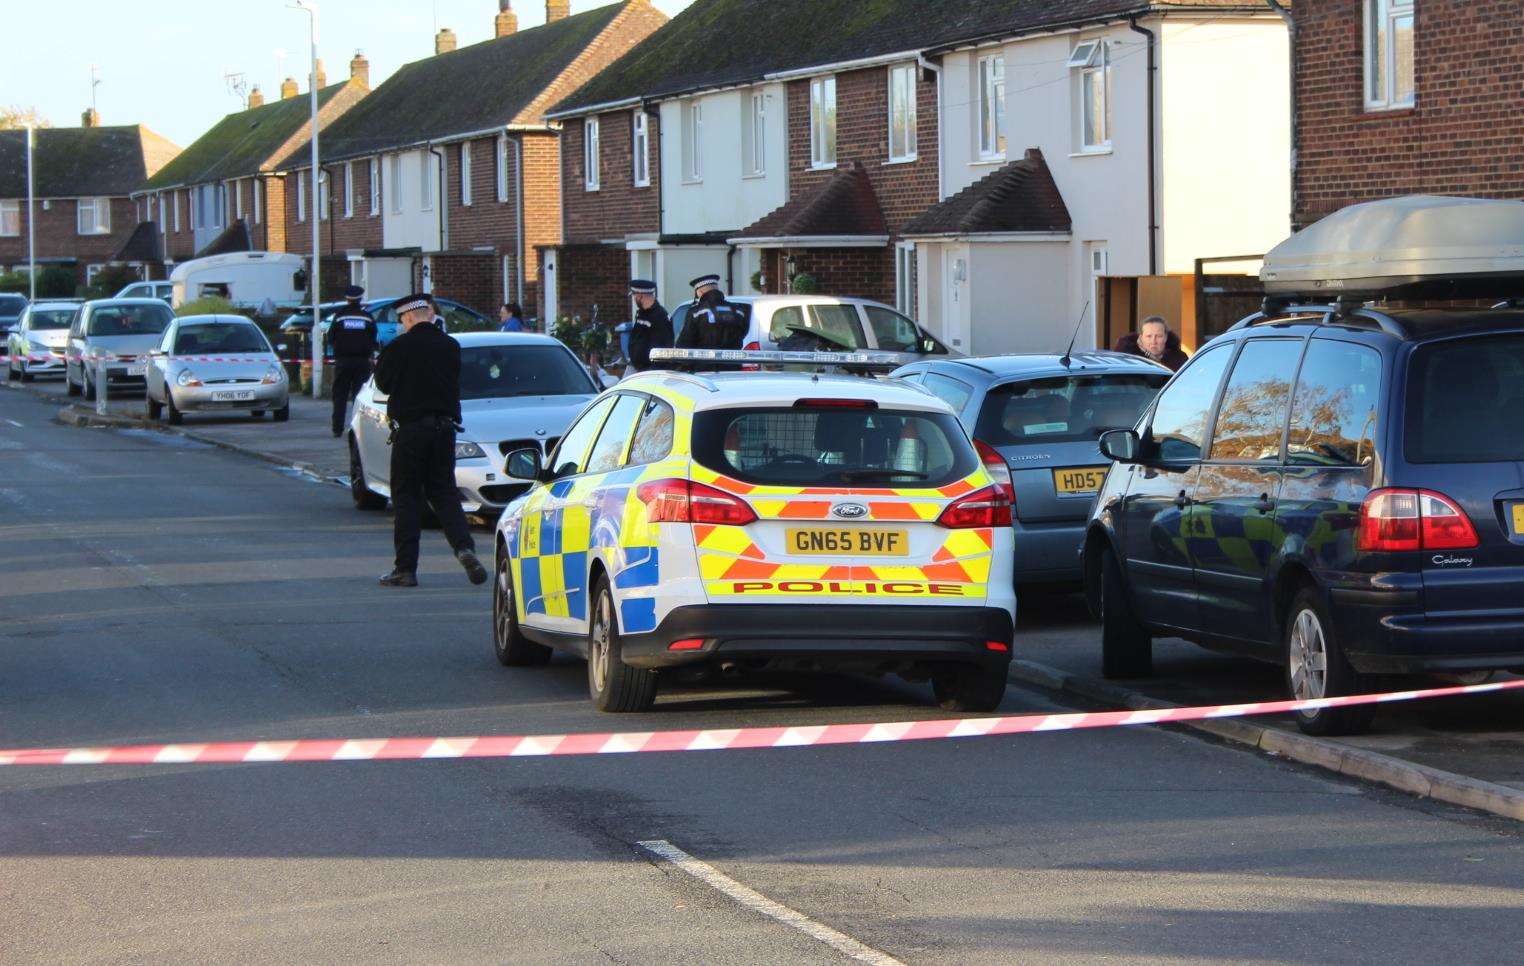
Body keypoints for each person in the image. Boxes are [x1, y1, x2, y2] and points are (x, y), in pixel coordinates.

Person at [371, 293, 488, 588]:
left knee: (407, 496)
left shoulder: (398, 347)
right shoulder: (450, 346)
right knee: (444, 493)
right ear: (431, 316)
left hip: (411, 431)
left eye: (402, 320)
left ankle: (405, 568)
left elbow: (382, 383)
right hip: (444, 429)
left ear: (408, 318)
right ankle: (464, 548)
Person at [328, 285, 378, 437]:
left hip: (343, 361)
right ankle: (358, 429)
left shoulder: (340, 317)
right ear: (360, 299)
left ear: (347, 299)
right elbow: (373, 338)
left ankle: (337, 428)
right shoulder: (367, 318)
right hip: (362, 362)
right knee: (360, 397)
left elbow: (331, 337)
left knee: (340, 396)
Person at [674, 274, 746, 370]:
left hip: (704, 369)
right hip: (732, 367)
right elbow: (743, 332)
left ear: (700, 292)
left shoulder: (696, 312)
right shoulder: (738, 311)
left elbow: (685, 341)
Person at [626, 278, 673, 373]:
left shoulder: (659, 316)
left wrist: (652, 370)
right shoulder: (642, 313)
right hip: (636, 368)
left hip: (649, 371)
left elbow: (663, 347)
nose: (634, 299)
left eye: (634, 295)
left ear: (640, 295)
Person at [1114, 315, 1189, 372]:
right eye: (1149, 336)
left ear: (1166, 337)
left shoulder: (1180, 359)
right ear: (1141, 338)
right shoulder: (1128, 358)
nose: (1153, 341)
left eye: (1159, 336)